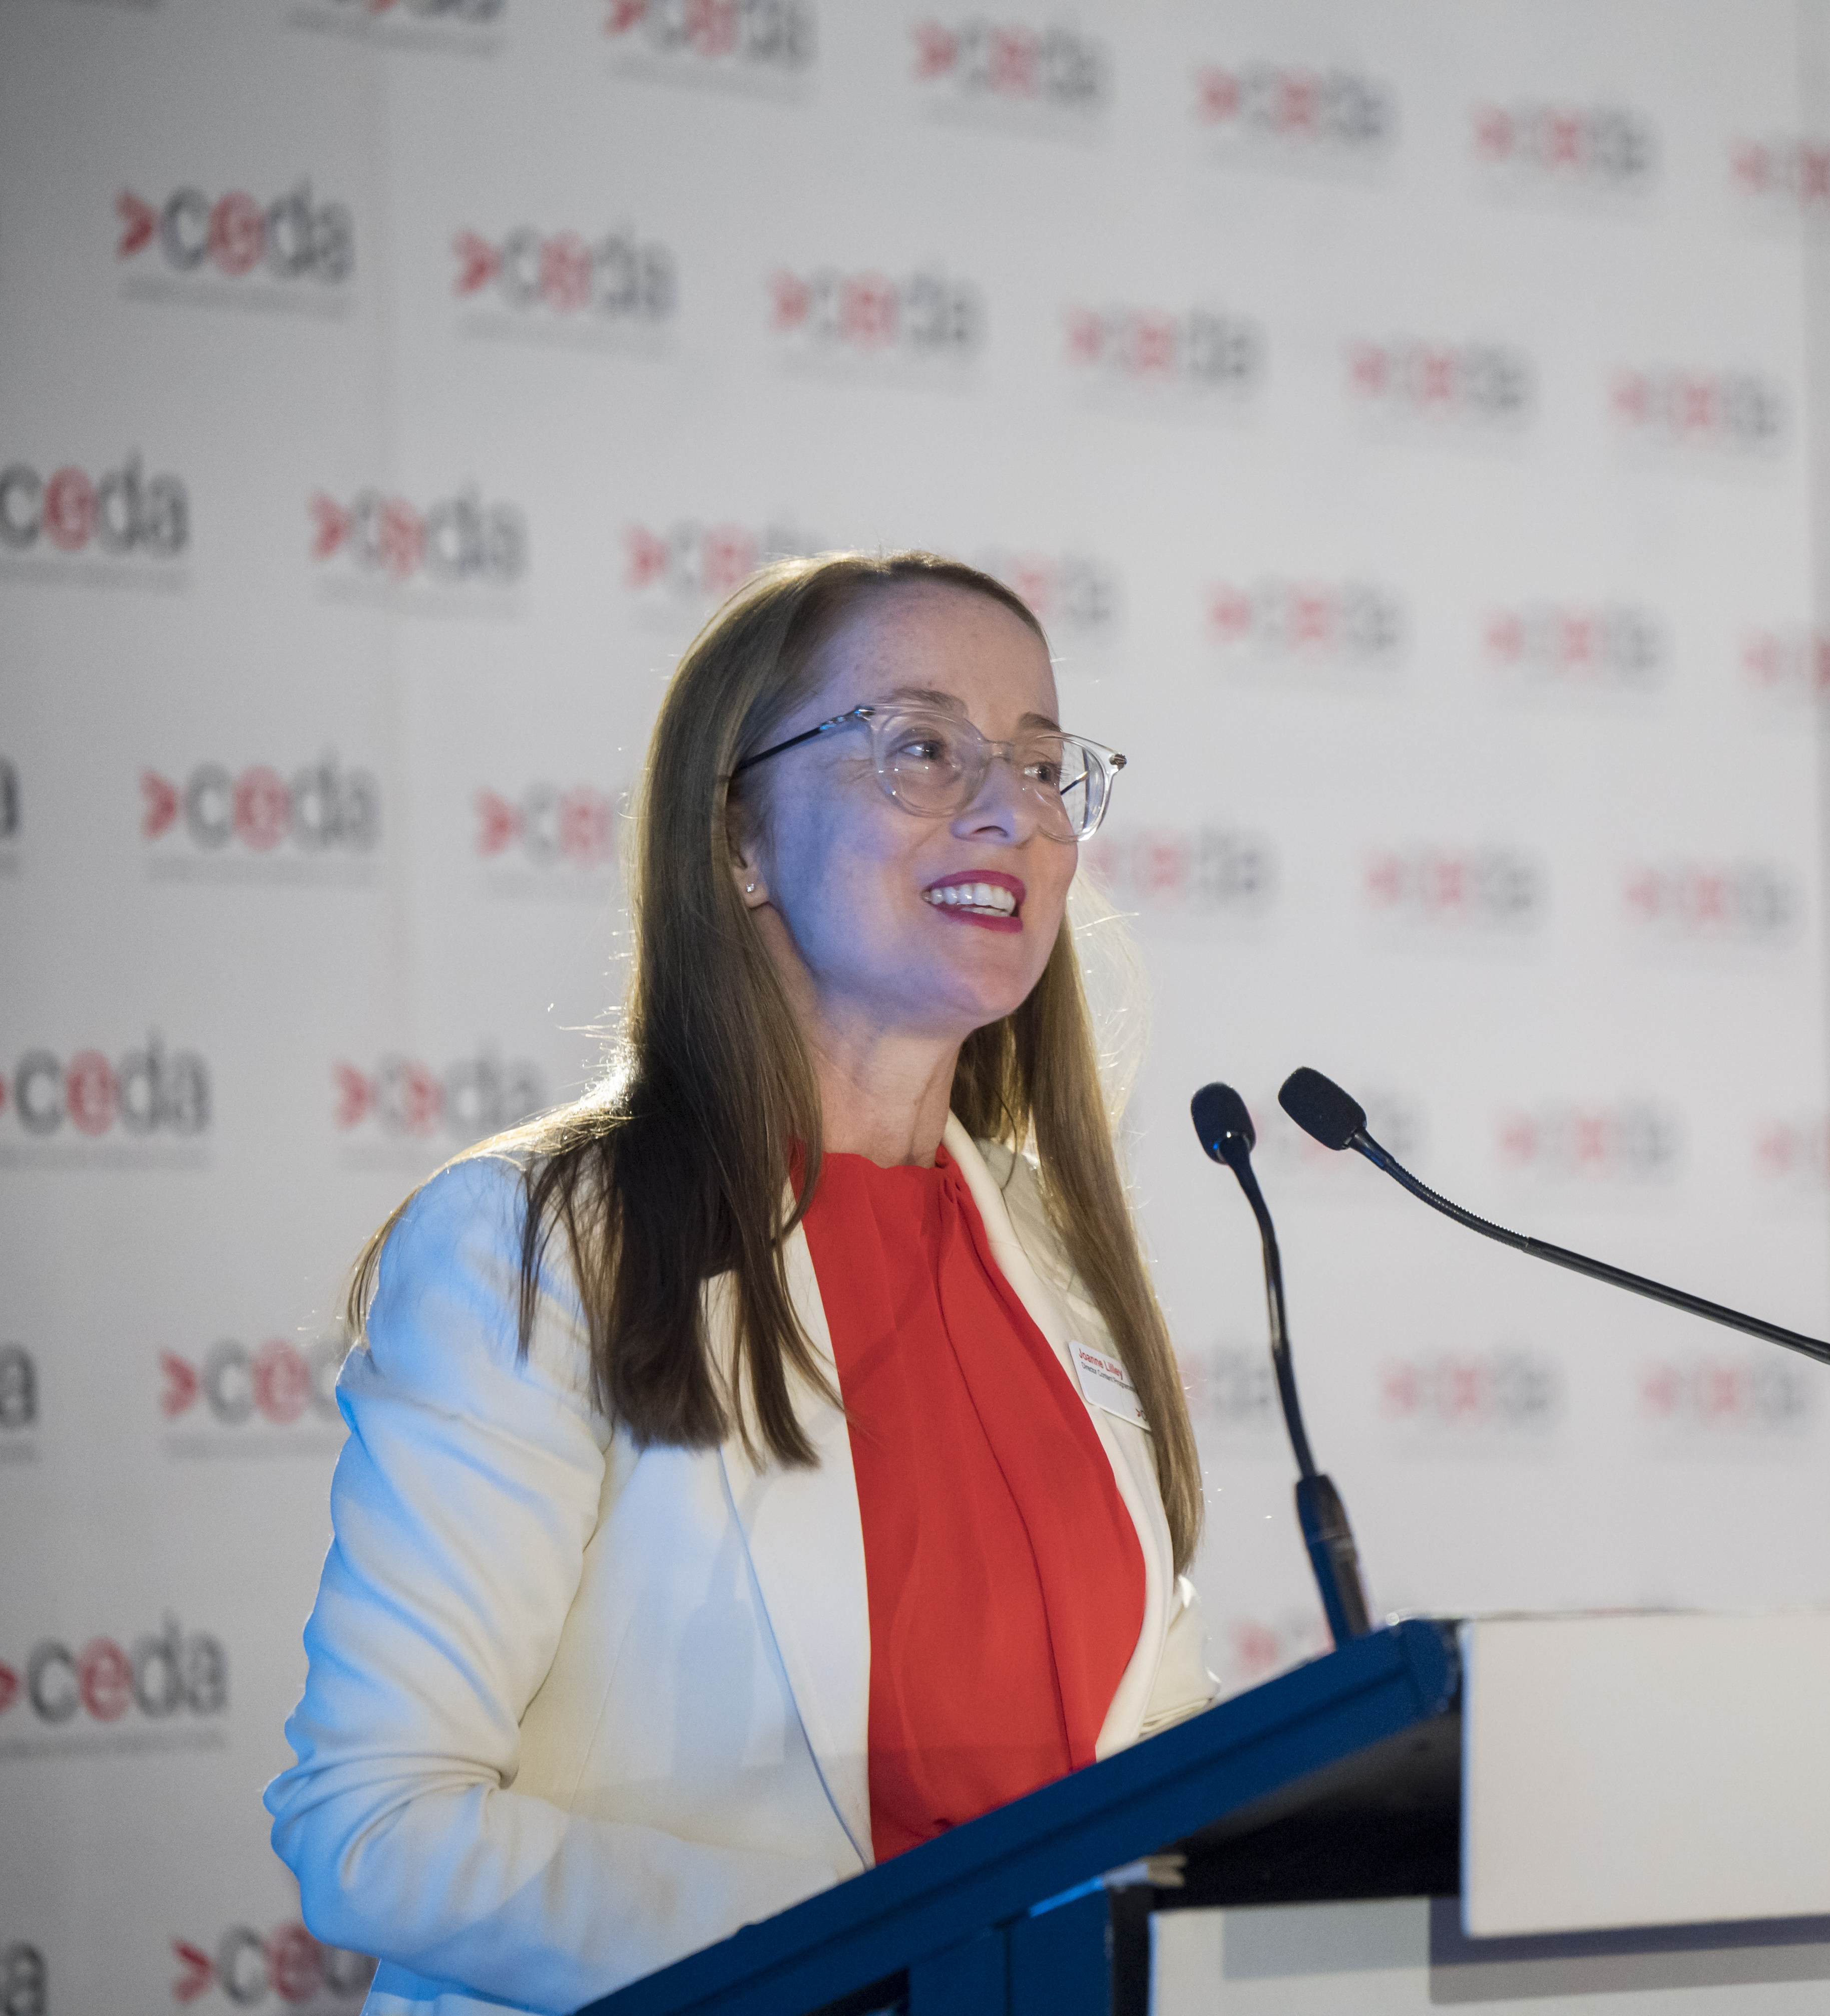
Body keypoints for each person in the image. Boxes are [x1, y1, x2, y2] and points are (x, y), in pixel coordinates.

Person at [265, 551, 1213, 2016]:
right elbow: (377, 1828)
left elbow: (1152, 1760)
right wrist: (909, 1958)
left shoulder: (1050, 1256)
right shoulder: (541, 1243)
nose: (1009, 810)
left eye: (1040, 763)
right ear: (738, 839)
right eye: (921, 748)